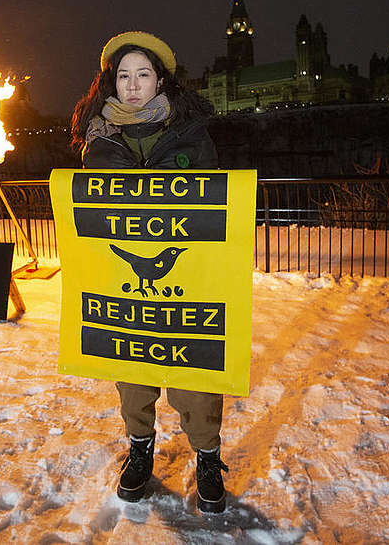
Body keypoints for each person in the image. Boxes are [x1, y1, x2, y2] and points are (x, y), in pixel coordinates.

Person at [70, 31, 229, 513]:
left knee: (193, 371)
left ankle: (206, 454)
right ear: (110, 85)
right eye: (124, 76)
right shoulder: (97, 143)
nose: (133, 85)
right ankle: (139, 447)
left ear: (160, 81)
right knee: (132, 369)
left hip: (185, 286)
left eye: (143, 75)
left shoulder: (190, 134)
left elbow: (213, 212)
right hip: (126, 290)